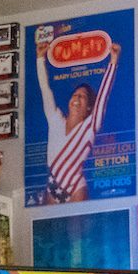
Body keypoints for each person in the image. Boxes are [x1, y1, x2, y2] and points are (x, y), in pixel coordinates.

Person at [34, 28, 117, 203]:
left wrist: (113, 63)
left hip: (75, 188)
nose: (77, 99)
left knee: (76, 222)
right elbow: (45, 89)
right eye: (75, 95)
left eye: (83, 97)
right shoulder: (55, 119)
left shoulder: (90, 127)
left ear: (89, 107)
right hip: (52, 186)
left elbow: (103, 98)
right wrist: (40, 59)